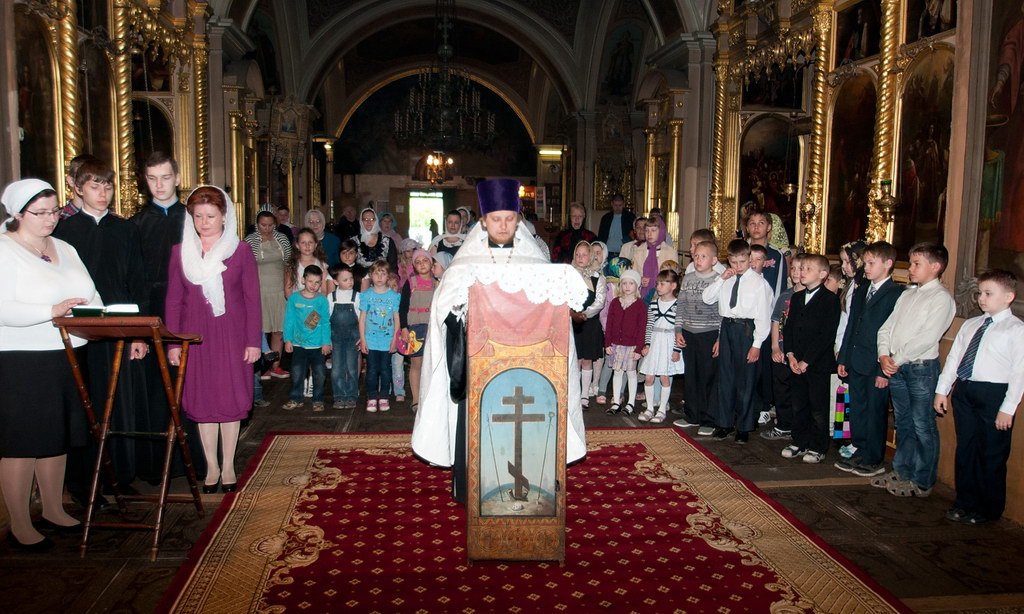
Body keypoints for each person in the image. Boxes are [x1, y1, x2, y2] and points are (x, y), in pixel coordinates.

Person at [412, 178, 587, 503]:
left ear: (517, 219)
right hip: (481, 362)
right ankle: (476, 486)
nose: (503, 225)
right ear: (484, 221)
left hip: (528, 363)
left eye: (509, 218)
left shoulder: (535, 261)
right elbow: (445, 308)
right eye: (496, 219)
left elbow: (549, 304)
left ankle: (531, 479)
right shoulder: (464, 263)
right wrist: (460, 313)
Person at [0, 178, 102, 549]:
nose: (50, 218)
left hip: (68, 353)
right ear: (17, 213)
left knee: (57, 436)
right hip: (22, 360)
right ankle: (20, 523)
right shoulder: (4, 250)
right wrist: (52, 310)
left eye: (54, 211)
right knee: (23, 441)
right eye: (40, 213)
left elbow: (91, 293)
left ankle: (53, 508)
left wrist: (97, 314)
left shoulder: (65, 248)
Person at [52, 159, 150, 497]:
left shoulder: (126, 229)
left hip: (120, 328)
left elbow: (138, 283)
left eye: (107, 186)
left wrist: (138, 333)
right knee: (85, 405)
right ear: (78, 188)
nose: (102, 193)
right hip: (80, 332)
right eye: (95, 186)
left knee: (119, 404)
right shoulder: (63, 232)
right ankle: (84, 484)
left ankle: (119, 476)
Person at [165, 186, 261, 494]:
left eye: (210, 216)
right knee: (203, 399)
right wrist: (173, 343)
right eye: (198, 216)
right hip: (195, 337)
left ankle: (229, 464)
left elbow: (252, 300)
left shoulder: (240, 251)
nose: (204, 223)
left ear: (224, 217)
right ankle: (211, 466)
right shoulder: (180, 252)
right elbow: (174, 301)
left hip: (232, 336)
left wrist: (253, 341)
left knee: (229, 399)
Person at [935, 269, 1024, 525]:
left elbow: (1019, 371)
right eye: (980, 293)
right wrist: (942, 389)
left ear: (1008, 296)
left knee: (991, 453)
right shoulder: (971, 324)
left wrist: (1008, 407)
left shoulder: (1016, 329)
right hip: (965, 391)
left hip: (994, 394)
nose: (981, 298)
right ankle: (965, 502)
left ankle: (987, 508)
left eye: (988, 293)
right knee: (966, 448)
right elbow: (954, 359)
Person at [875, 242, 955, 498]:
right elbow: (886, 328)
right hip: (897, 366)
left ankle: (922, 480)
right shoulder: (907, 295)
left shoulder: (941, 298)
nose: (910, 268)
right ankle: (902, 470)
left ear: (936, 266)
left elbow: (927, 337)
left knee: (923, 425)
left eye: (916, 264)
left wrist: (896, 358)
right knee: (904, 422)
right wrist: (883, 354)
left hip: (920, 368)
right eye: (911, 263)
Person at [835, 241, 904, 477]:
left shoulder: (895, 294)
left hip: (876, 364)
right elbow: (852, 325)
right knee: (858, 409)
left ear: (888, 264)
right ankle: (860, 449)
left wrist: (884, 371)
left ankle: (873, 457)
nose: (866, 267)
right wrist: (844, 358)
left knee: (875, 412)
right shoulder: (862, 288)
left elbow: (893, 335)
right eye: (865, 263)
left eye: (871, 263)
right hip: (856, 360)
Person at [703, 239, 774, 443]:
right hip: (727, 327)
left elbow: (763, 316)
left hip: (746, 330)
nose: (738, 266)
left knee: (745, 381)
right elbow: (707, 298)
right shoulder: (726, 278)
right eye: (733, 262)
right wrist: (721, 279)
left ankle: (744, 426)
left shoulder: (759, 283)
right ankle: (724, 423)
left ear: (749, 258)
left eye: (742, 261)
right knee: (725, 379)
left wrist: (757, 344)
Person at [779, 255, 841, 464]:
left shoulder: (830, 300)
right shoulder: (797, 298)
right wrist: (790, 354)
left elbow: (826, 335)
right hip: (796, 362)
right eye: (801, 268)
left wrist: (807, 361)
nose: (802, 272)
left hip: (816, 364)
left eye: (808, 269)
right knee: (798, 404)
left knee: (817, 407)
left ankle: (818, 445)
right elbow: (788, 328)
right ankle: (799, 440)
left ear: (822, 274)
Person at [673, 240, 723, 432]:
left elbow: (722, 312)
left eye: (703, 256)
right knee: (691, 375)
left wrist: (719, 338)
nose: (698, 259)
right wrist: (678, 330)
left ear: (714, 260)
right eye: (696, 256)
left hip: (709, 333)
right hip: (689, 332)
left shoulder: (719, 280)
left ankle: (709, 419)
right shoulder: (688, 278)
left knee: (708, 376)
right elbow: (681, 305)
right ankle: (692, 415)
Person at [133, 151, 185, 318]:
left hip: (188, 300)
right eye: (152, 178)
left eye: (165, 178)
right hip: (151, 304)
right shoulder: (135, 224)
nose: (159, 185)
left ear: (177, 179)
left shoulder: (194, 219)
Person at [762, 253, 807, 442]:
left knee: (798, 392)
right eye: (793, 268)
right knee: (781, 389)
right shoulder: (785, 295)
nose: (795, 272)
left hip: (800, 354)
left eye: (801, 269)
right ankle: (783, 424)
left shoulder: (811, 297)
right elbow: (775, 321)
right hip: (781, 350)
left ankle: (797, 426)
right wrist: (774, 347)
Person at [243, 210, 292, 378]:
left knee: (279, 330)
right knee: (259, 329)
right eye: (263, 225)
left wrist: (288, 286)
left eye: (270, 225)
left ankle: (275, 366)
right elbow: (245, 266)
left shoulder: (282, 239)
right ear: (257, 225)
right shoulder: (250, 241)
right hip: (258, 290)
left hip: (279, 290)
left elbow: (288, 263)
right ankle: (261, 367)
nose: (267, 228)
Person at [282, 265, 331, 412]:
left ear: (321, 283)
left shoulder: (322, 300)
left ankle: (318, 400)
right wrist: (288, 339)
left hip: (317, 346)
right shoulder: (294, 298)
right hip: (299, 344)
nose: (313, 285)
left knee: (320, 374)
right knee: (297, 373)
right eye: (310, 281)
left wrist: (326, 342)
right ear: (303, 280)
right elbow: (289, 320)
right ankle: (295, 398)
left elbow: (325, 322)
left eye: (317, 282)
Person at [638, 270, 684, 423]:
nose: (658, 286)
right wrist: (647, 344)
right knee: (649, 377)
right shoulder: (653, 304)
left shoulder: (678, 305)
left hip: (669, 342)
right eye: (657, 283)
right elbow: (649, 325)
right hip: (655, 341)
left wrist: (677, 350)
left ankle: (662, 409)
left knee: (665, 377)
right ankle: (650, 408)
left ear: (673, 286)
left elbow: (679, 329)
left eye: (662, 284)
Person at [359, 260, 401, 412]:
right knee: (371, 369)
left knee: (385, 369)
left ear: (388, 276)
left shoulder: (394, 296)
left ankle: (384, 397)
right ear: (371, 275)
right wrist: (362, 339)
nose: (379, 277)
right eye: (376, 273)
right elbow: (362, 319)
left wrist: (395, 339)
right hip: (370, 340)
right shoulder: (366, 295)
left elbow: (396, 319)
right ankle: (371, 397)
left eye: (383, 274)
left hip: (387, 340)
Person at [604, 269, 646, 415]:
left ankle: (630, 403)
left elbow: (642, 328)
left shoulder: (640, 305)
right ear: (620, 285)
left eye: (631, 283)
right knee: (617, 372)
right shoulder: (615, 303)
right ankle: (616, 402)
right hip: (616, 344)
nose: (627, 286)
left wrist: (639, 348)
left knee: (631, 373)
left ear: (637, 286)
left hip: (632, 346)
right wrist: (607, 343)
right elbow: (609, 325)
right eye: (624, 283)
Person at [399, 249, 437, 412]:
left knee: (432, 364)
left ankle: (430, 397)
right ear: (414, 266)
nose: (422, 264)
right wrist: (404, 328)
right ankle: (415, 399)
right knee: (416, 364)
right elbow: (403, 307)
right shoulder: (410, 282)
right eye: (418, 262)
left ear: (431, 263)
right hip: (414, 329)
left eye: (425, 260)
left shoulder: (437, 282)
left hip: (432, 328)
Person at [570, 241, 607, 409]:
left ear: (590, 256)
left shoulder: (598, 277)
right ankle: (574, 393)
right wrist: (573, 314)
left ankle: (585, 394)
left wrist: (585, 314)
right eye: (577, 254)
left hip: (589, 323)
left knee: (587, 360)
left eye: (584, 255)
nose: (580, 258)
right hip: (572, 323)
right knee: (575, 360)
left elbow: (600, 302)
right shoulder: (568, 275)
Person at [328, 265, 361, 409]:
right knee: (337, 368)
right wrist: (326, 339)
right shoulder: (331, 297)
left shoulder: (357, 296)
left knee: (352, 368)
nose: (350, 282)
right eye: (345, 280)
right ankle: (339, 396)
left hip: (353, 338)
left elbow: (361, 319)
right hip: (335, 338)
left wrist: (362, 337)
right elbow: (326, 319)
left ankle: (352, 395)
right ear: (336, 282)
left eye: (351, 278)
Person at [632, 218, 676, 302]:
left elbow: (673, 277)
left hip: (664, 296)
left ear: (661, 231)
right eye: (646, 230)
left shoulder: (671, 252)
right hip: (641, 294)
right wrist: (640, 279)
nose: (649, 234)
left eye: (653, 230)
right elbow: (634, 272)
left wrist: (655, 281)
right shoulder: (638, 251)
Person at [286, 228, 328, 296]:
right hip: (297, 301)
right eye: (303, 243)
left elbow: (324, 290)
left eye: (310, 242)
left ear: (315, 245)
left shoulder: (322, 265)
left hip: (316, 301)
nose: (307, 245)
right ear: (297, 245)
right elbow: (288, 291)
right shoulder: (292, 265)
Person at [356, 207, 398, 271]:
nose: (369, 222)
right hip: (360, 276)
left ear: (376, 221)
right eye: (365, 219)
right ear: (361, 221)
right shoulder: (354, 241)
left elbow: (393, 266)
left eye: (372, 219)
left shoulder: (387, 241)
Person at [58, 153, 99, 220]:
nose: (89, 184)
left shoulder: (112, 220)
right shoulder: (58, 219)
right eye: (83, 178)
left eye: (96, 180)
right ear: (71, 181)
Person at [597, 193, 635, 258]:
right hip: (608, 251)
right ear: (612, 204)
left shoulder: (630, 217)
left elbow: (633, 235)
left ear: (623, 204)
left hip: (624, 252)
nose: (617, 208)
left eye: (620, 205)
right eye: (615, 205)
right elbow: (601, 236)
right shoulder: (606, 218)